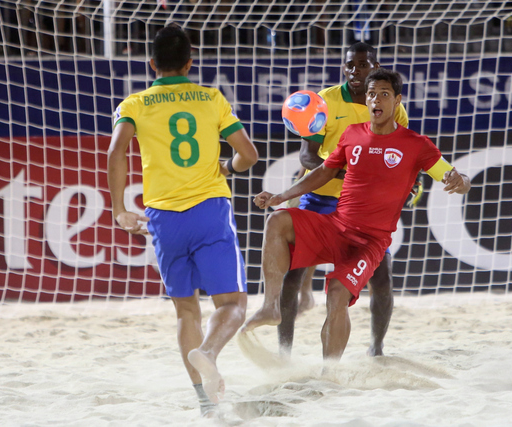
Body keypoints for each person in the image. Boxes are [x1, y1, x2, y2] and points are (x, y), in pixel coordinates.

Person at [244, 68, 471, 362]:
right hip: (336, 226)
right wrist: (281, 196)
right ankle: (270, 306)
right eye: (372, 94)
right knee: (277, 220)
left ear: (397, 101)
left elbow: (454, 176)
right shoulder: (352, 134)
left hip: (369, 241)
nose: (376, 100)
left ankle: (334, 370)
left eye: (384, 95)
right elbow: (323, 171)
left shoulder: (416, 144)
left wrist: (461, 181)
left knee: (338, 295)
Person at [107, 25, 258, 416]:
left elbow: (116, 151)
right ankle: (208, 352)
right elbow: (249, 155)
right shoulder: (211, 98)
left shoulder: (134, 103)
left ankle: (205, 402)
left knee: (186, 310)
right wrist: (228, 166)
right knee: (233, 304)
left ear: (151, 64)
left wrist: (120, 208)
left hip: (163, 218)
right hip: (209, 211)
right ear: (190, 63)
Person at [276, 42, 411, 359]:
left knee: (382, 278)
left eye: (363, 65)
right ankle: (283, 353)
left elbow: (402, 154)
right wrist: (347, 173)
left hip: (363, 208)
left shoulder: (392, 107)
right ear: (344, 67)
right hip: (320, 198)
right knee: (292, 275)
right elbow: (308, 157)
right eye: (350, 65)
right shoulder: (323, 102)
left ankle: (376, 349)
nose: (355, 71)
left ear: (375, 67)